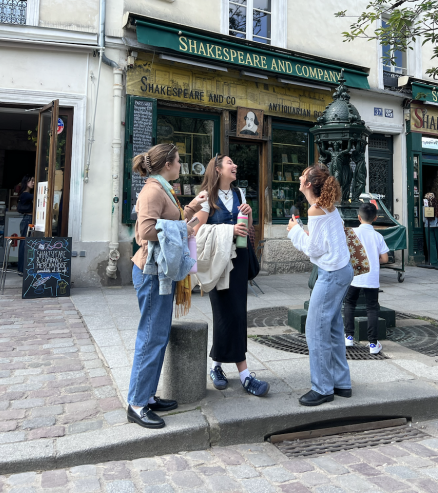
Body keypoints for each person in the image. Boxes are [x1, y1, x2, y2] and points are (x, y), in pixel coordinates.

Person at [127, 143, 208, 429]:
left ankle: (147, 395)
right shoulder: (152, 190)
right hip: (150, 272)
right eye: (178, 161)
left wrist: (192, 208)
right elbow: (145, 231)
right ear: (167, 165)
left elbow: (168, 220)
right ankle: (137, 403)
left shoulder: (162, 188)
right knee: (151, 336)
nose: (180, 166)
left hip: (160, 271)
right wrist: (185, 228)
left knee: (158, 336)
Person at [194, 154, 270, 397]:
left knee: (236, 314)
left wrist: (246, 216)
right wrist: (229, 229)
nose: (235, 165)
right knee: (223, 313)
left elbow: (244, 230)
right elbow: (196, 231)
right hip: (219, 263)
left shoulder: (238, 194)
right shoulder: (207, 196)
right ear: (217, 170)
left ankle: (218, 367)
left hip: (239, 260)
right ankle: (242, 374)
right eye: (230, 163)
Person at [287, 164, 353, 406]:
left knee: (315, 331)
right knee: (334, 328)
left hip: (331, 273)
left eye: (303, 175)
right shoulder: (326, 207)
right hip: (341, 270)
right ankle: (341, 383)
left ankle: (323, 388)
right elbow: (321, 242)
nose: (300, 176)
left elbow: (314, 249)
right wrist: (302, 229)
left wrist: (295, 231)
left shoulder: (315, 209)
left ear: (307, 184)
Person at [343, 202, 389, 354]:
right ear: (375, 218)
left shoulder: (351, 232)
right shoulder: (378, 236)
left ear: (358, 217)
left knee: (349, 303)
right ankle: (373, 344)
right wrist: (374, 260)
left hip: (353, 276)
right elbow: (385, 258)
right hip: (371, 277)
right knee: (372, 308)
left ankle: (348, 336)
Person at [16, 176, 34, 277]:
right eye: (31, 181)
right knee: (25, 244)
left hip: (27, 219)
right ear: (26, 182)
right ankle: (22, 269)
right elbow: (36, 196)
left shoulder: (26, 194)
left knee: (25, 243)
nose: (33, 182)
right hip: (28, 219)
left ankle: (22, 269)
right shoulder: (25, 195)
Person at [423, 192, 438, 267]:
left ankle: (433, 261)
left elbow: (424, 218)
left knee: (431, 244)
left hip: (428, 226)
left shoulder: (425, 206)